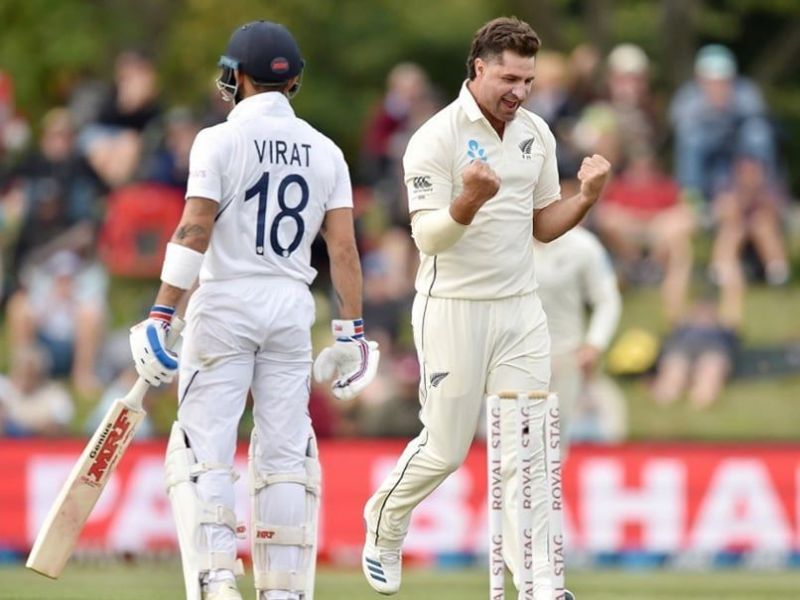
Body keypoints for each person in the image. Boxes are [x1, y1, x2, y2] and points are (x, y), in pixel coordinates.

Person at [127, 21, 379, 600]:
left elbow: (194, 228)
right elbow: (342, 248)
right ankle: (284, 589)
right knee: (286, 452)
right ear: (291, 83)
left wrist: (162, 314)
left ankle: (217, 579)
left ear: (238, 76)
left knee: (204, 445)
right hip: (292, 306)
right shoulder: (326, 149)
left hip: (225, 301)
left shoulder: (218, 140)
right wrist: (353, 335)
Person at [361, 17, 610, 600]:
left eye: (527, 79)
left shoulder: (536, 134)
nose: (518, 91)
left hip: (520, 311)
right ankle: (384, 521)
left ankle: (540, 583)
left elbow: (543, 226)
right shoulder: (435, 138)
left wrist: (586, 198)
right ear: (478, 69)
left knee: (528, 451)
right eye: (508, 77)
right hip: (452, 307)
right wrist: (470, 198)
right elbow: (428, 239)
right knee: (446, 449)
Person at [534, 226, 622, 452]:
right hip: (514, 354)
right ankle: (506, 488)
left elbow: (607, 299)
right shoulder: (503, 237)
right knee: (513, 435)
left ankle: (547, 487)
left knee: (555, 439)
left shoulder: (583, 245)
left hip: (565, 354)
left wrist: (594, 344)